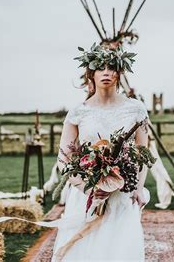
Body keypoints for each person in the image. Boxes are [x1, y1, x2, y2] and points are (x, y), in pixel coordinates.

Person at [52, 43, 150, 261]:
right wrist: (86, 189)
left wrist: (139, 188)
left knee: (120, 250)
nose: (106, 72)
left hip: (123, 193)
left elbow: (143, 153)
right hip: (86, 196)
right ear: (91, 73)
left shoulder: (136, 109)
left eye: (112, 67)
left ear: (119, 72)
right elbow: (63, 158)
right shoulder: (78, 111)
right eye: (100, 67)